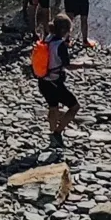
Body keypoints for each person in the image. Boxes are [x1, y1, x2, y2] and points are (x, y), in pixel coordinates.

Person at [35, 14, 79, 144]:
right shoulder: (60, 45)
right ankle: (57, 133)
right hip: (54, 83)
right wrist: (85, 65)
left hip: (42, 81)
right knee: (74, 107)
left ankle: (52, 133)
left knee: (53, 107)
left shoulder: (47, 38)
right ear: (64, 30)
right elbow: (67, 65)